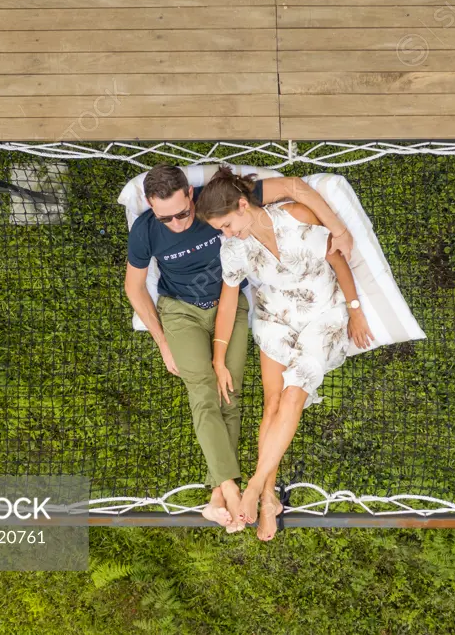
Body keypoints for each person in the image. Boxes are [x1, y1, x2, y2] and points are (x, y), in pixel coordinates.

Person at [124, 164, 353, 532]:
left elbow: (294, 187)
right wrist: (162, 340)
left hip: (231, 306)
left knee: (230, 394)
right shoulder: (148, 230)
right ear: (152, 209)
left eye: (183, 213)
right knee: (202, 390)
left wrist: (339, 230)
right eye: (165, 218)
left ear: (190, 194)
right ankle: (229, 490)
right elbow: (134, 288)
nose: (179, 223)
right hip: (180, 310)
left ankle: (238, 493)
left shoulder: (220, 203)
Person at [197, 167, 374, 541]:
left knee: (294, 394)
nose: (226, 234)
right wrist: (217, 358)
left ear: (244, 205)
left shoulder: (298, 216)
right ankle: (268, 500)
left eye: (227, 225)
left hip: (321, 315)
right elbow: (228, 304)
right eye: (220, 230)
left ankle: (258, 490)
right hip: (274, 316)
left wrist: (355, 309)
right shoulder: (234, 248)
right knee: (271, 402)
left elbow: (337, 259)